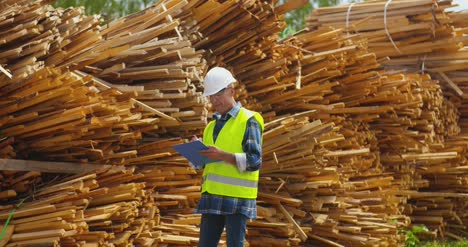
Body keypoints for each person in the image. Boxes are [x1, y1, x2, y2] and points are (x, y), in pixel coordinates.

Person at [193, 67, 264, 247]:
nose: (214, 100)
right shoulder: (210, 127)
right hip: (212, 196)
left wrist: (223, 155)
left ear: (232, 91)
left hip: (237, 200)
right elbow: (203, 165)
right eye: (211, 96)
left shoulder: (249, 120)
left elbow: (254, 161)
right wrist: (196, 153)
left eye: (218, 94)